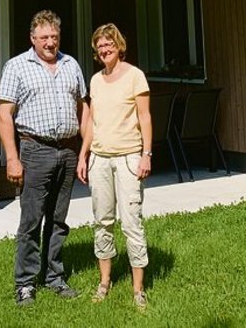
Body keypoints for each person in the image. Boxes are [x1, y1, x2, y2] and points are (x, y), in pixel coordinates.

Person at [0, 9, 88, 307]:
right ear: (32, 38)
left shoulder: (71, 64)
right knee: (32, 220)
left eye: (54, 36)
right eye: (44, 37)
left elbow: (83, 108)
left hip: (68, 150)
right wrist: (12, 157)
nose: (50, 42)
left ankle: (54, 276)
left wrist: (87, 148)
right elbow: (4, 116)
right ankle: (25, 283)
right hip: (35, 150)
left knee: (59, 219)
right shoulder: (17, 67)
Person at [77, 23, 153, 310]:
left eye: (108, 44)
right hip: (100, 158)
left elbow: (145, 117)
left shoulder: (135, 76)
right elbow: (92, 122)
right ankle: (104, 282)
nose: (104, 49)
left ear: (119, 46)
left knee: (132, 222)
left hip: (129, 158)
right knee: (102, 221)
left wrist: (147, 154)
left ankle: (138, 290)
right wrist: (84, 155)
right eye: (99, 46)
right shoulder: (95, 80)